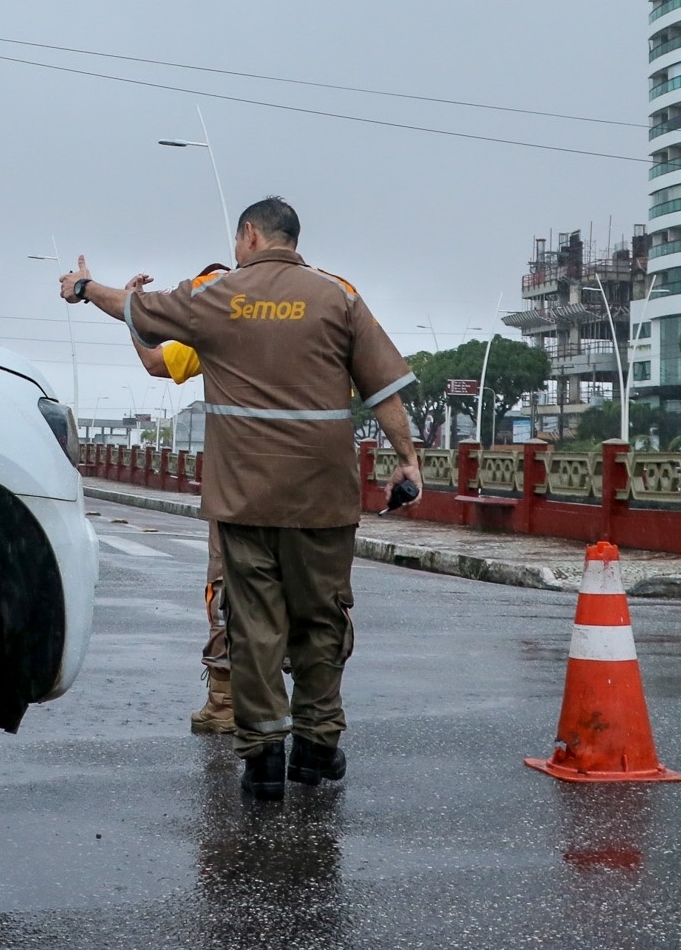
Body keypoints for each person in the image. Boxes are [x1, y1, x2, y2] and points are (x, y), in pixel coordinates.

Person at [61, 196, 421, 801]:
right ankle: (316, 748)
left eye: (236, 241)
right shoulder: (341, 296)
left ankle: (262, 762)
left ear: (250, 235)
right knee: (322, 620)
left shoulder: (217, 298)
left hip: (244, 500)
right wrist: (408, 461)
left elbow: (135, 311)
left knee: (252, 626)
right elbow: (386, 390)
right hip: (323, 502)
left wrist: (83, 286)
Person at [126, 263, 233, 735]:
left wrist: (132, 308)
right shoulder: (308, 315)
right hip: (309, 481)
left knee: (228, 585)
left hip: (238, 481)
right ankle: (314, 718)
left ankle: (226, 701)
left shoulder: (212, 329)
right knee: (302, 591)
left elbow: (154, 362)